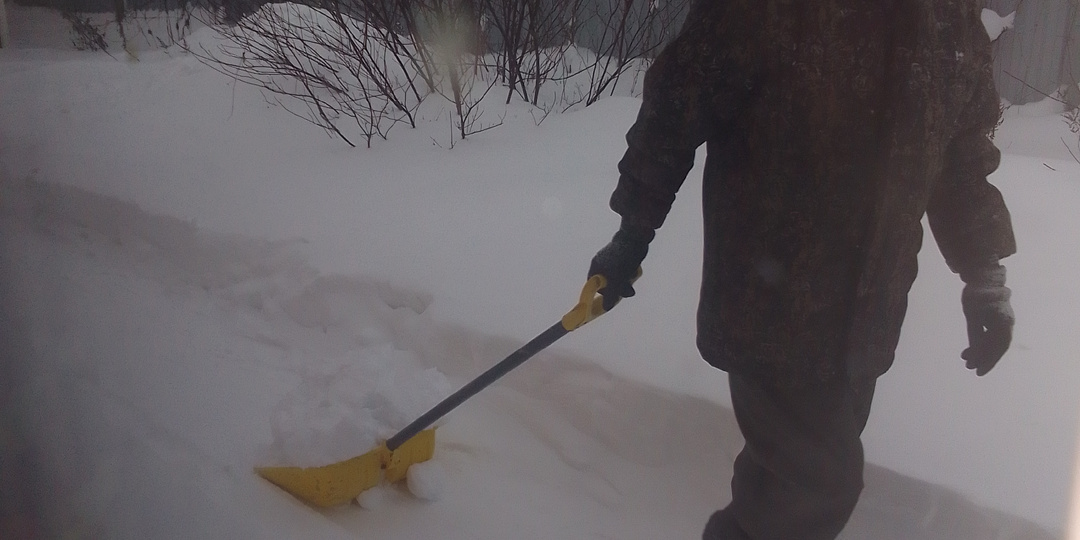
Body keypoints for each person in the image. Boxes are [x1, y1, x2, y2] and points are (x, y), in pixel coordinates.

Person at [586, 0, 1016, 538]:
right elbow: (676, 105)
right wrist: (633, 231)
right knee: (819, 485)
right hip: (768, 302)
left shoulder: (947, 16)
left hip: (868, 314)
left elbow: (960, 159)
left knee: (777, 491)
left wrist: (985, 278)